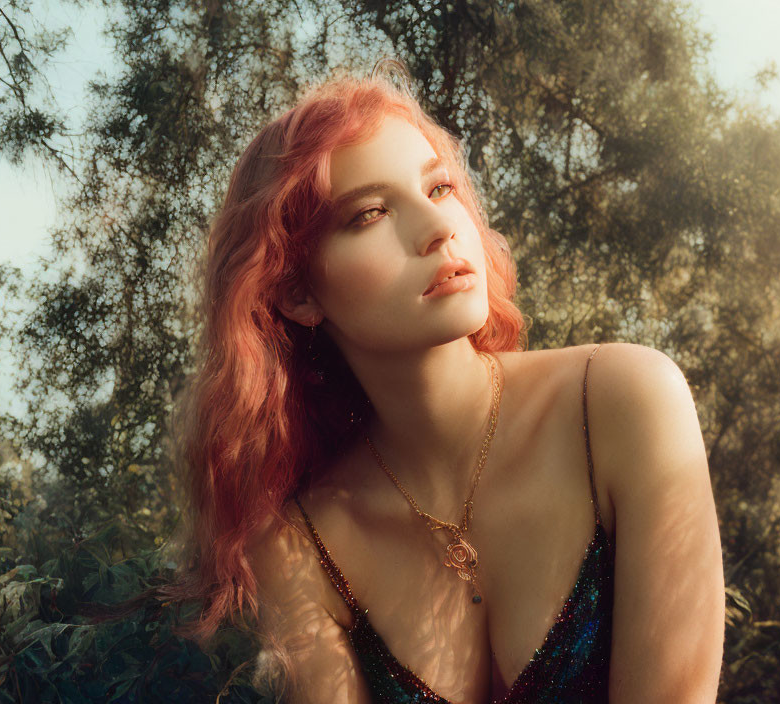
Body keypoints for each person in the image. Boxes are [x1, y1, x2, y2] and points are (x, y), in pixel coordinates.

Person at [168, 59, 725, 703]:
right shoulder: (303, 542)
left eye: (438, 190)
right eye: (371, 213)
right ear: (297, 293)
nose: (438, 229)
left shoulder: (620, 403)